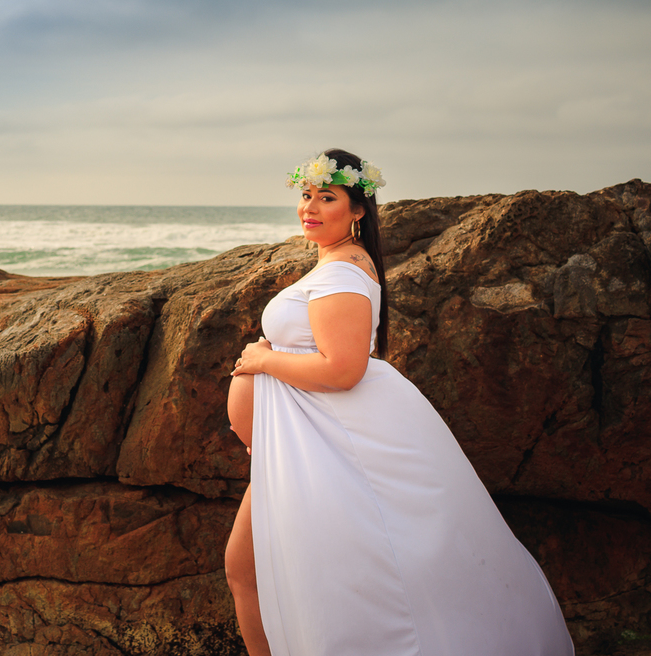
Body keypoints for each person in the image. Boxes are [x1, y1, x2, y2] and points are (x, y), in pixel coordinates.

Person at [223, 148, 574, 656]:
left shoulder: (342, 273)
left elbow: (343, 370)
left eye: (328, 197)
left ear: (358, 210)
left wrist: (261, 360)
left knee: (288, 573)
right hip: (302, 445)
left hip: (327, 446)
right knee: (250, 568)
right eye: (306, 195)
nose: (311, 208)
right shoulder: (336, 264)